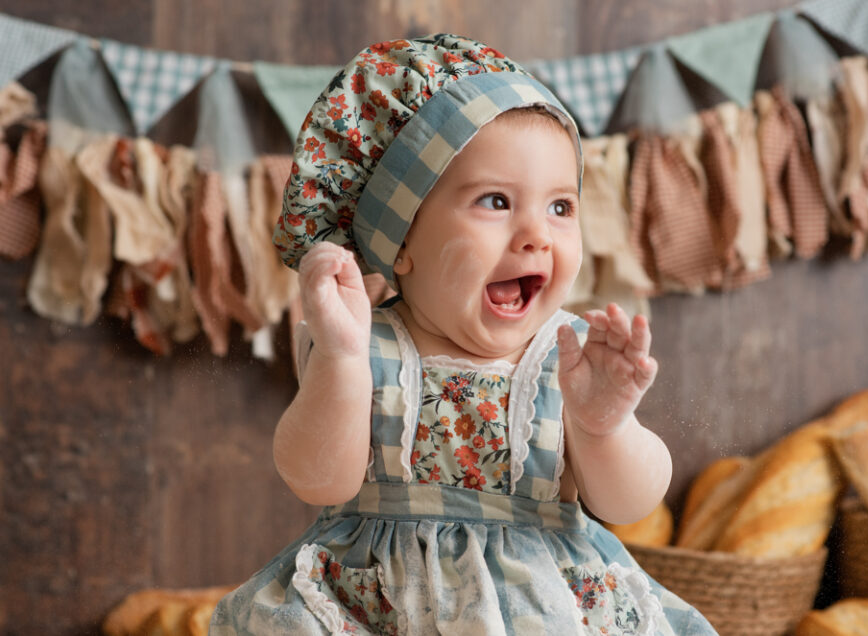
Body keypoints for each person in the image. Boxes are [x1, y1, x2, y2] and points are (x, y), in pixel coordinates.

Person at [211, 34, 716, 636]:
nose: (537, 235)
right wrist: (342, 359)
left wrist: (605, 425)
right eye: (496, 201)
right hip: (379, 605)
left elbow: (629, 505)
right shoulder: (362, 344)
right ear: (401, 246)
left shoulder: (572, 358)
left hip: (544, 608)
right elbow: (318, 480)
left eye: (561, 207)